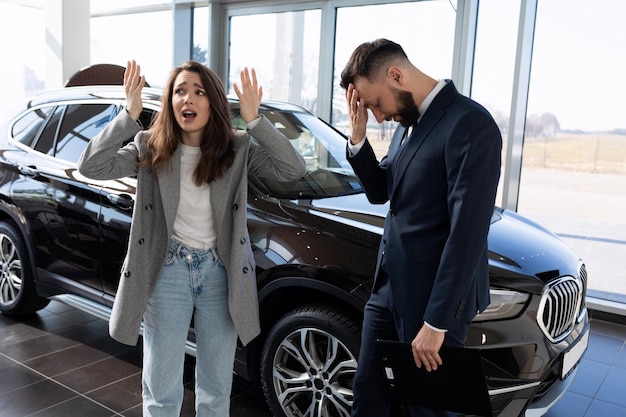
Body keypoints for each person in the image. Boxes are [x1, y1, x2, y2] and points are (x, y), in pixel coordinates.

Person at [78, 60, 306, 417]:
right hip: (166, 270)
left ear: (213, 102)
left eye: (199, 92)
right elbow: (91, 166)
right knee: (161, 385)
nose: (189, 99)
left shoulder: (237, 148)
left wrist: (256, 120)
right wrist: (127, 115)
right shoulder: (148, 146)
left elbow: (293, 169)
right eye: (180, 91)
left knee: (216, 389)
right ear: (170, 102)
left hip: (220, 272)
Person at [340, 39, 502, 417]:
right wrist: (358, 138)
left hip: (432, 302)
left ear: (396, 75)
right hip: (387, 290)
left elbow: (467, 234)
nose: (378, 116)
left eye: (376, 103)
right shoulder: (407, 123)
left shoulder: (469, 123)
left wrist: (436, 321)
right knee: (368, 395)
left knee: (426, 408)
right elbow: (383, 192)